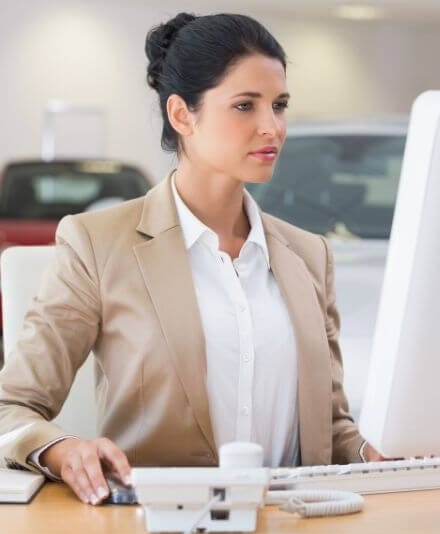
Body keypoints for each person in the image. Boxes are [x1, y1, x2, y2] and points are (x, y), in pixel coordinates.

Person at [0, 12, 381, 506]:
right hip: (156, 522)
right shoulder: (97, 243)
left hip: (292, 521)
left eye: (279, 105)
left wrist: (375, 453)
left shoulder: (310, 256)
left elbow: (330, 426)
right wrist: (62, 450)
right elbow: (12, 406)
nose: (272, 127)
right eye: (245, 105)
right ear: (182, 115)